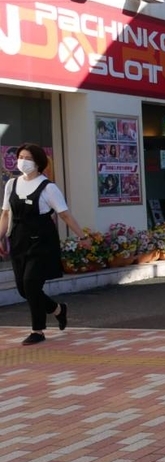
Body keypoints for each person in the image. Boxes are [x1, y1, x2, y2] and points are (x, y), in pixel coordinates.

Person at [0, 144, 84, 344]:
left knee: (30, 283)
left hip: (42, 241)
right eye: (20, 156)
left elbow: (64, 214)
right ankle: (57, 309)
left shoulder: (48, 187)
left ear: (38, 162)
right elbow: (5, 214)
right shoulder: (11, 184)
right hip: (19, 239)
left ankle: (37, 331)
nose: (22, 161)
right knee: (23, 288)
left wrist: (82, 236)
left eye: (27, 157)